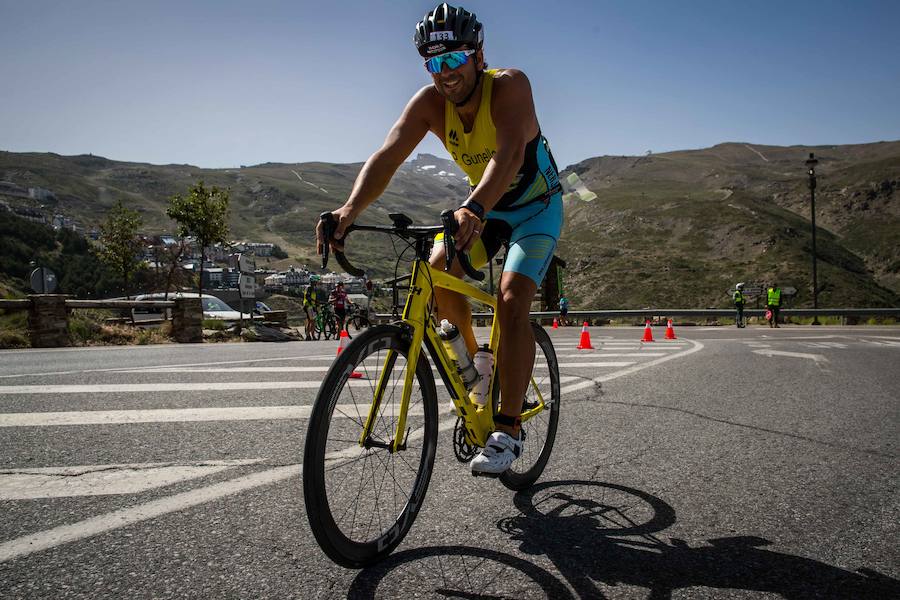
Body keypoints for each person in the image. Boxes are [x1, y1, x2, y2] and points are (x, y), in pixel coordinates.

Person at [316, 3, 563, 475]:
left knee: (512, 299)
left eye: (454, 59)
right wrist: (349, 210)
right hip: (486, 207)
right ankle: (476, 370)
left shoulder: (510, 86)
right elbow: (388, 156)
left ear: (478, 55)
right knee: (437, 268)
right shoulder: (429, 103)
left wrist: (475, 206)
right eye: (434, 62)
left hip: (535, 208)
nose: (445, 72)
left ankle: (508, 430)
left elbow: (510, 155)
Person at [303, 275, 321, 341]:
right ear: (313, 281)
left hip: (312, 306)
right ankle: (309, 335)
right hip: (308, 306)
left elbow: (315, 298)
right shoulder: (309, 288)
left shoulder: (313, 288)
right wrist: (314, 304)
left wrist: (317, 304)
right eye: (316, 281)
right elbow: (308, 297)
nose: (317, 282)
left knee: (313, 321)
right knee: (311, 321)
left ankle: (311, 335)